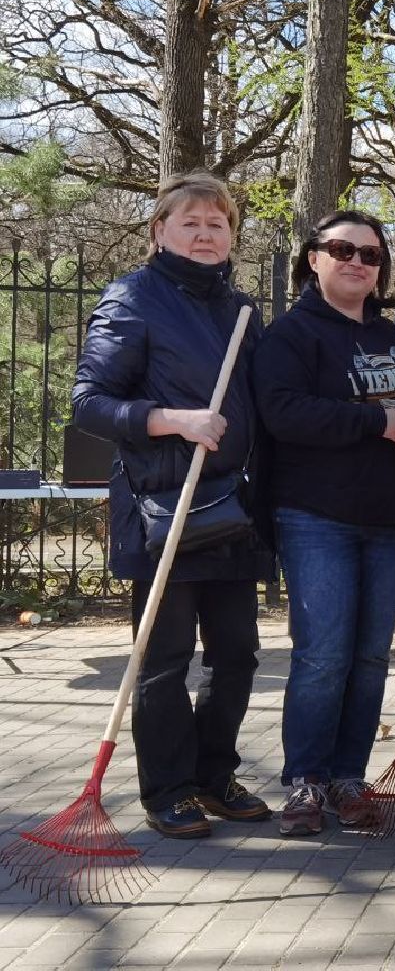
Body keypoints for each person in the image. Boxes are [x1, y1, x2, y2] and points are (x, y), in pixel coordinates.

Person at [72, 171, 274, 838]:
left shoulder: (240, 309)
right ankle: (168, 787)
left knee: (238, 653)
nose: (206, 232)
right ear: (159, 230)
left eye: (218, 223)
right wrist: (172, 420)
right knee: (163, 657)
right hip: (165, 505)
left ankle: (214, 775)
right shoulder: (133, 298)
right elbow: (89, 403)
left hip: (231, 512)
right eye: (191, 221)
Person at [255, 210, 395, 837]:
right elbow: (283, 413)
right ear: (312, 258)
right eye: (341, 249)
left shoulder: (393, 338)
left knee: (371, 655)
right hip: (316, 516)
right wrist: (373, 422)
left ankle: (349, 776)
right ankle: (307, 782)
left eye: (370, 255)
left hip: (388, 518)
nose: (356, 261)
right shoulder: (289, 335)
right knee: (322, 655)